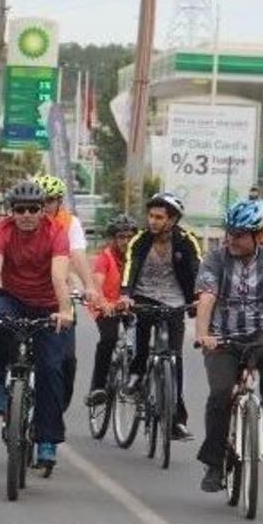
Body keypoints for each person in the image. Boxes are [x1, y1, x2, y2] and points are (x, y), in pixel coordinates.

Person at [194, 200, 263, 492]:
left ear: (258, 235)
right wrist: (203, 334)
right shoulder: (215, 259)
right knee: (220, 395)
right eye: (230, 232)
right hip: (222, 338)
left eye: (240, 234)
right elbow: (206, 296)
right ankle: (214, 464)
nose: (232, 239)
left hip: (259, 334)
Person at [0, 180, 77, 469]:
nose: (27, 215)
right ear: (12, 211)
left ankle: (47, 440)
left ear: (43, 210)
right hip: (13, 297)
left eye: (33, 209)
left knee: (50, 370)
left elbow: (59, 277)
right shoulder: (1, 231)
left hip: (49, 304)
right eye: (20, 209)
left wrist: (65, 311)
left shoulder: (56, 233)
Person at [115, 191, 201, 440]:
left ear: (172, 220)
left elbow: (198, 269)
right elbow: (130, 267)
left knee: (175, 359)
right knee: (141, 336)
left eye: (159, 217)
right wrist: (125, 295)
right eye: (151, 216)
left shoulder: (186, 241)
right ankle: (137, 374)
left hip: (175, 301)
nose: (153, 221)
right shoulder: (140, 240)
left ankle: (177, 420)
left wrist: (199, 298)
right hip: (143, 297)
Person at [35, 173, 100, 408]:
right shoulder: (25, 219)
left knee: (67, 358)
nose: (45, 206)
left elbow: (78, 255)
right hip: (29, 291)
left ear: (59, 202)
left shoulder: (70, 223)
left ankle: (57, 407)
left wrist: (89, 286)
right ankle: (8, 386)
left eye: (50, 200)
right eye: (41, 201)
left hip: (60, 291)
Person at [85, 213, 138, 407]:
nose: (126, 241)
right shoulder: (105, 258)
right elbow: (97, 283)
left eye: (130, 236)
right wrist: (104, 303)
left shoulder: (138, 256)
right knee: (109, 339)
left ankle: (138, 383)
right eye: (121, 237)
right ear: (113, 238)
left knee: (141, 341)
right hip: (106, 307)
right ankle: (97, 387)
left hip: (130, 306)